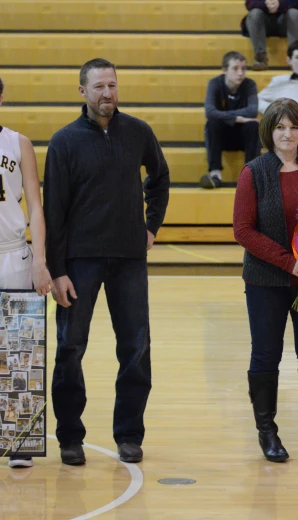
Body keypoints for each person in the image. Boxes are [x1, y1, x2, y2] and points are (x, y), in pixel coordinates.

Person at [44, 58, 170, 466]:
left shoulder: (138, 132)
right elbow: (53, 211)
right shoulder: (64, 142)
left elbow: (160, 177)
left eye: (112, 85)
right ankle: (69, 437)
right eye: (98, 86)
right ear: (83, 92)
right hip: (79, 262)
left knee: (135, 348)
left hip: (129, 258)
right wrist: (57, 269)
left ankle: (129, 434)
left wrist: (150, 226)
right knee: (70, 348)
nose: (107, 93)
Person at [233, 98, 298, 463]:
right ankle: (268, 432)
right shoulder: (254, 172)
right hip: (266, 280)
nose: (287, 133)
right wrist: (286, 263)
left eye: (293, 126)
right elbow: (243, 231)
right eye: (280, 127)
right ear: (269, 131)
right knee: (266, 355)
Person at [201, 51, 261, 189]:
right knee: (212, 123)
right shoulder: (215, 83)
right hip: (221, 137)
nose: (240, 73)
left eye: (243, 68)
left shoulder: (250, 84)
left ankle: (252, 177)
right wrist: (237, 118)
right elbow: (209, 113)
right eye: (235, 68)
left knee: (253, 125)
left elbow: (252, 111)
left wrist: (223, 115)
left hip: (242, 137)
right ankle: (215, 175)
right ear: (224, 70)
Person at [242, 0, 298, 71]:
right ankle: (261, 58)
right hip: (262, 22)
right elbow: (249, 3)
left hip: (284, 22)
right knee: (254, 14)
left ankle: (296, 59)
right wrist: (266, 4)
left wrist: (279, 4)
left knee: (294, 13)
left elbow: (297, 2)